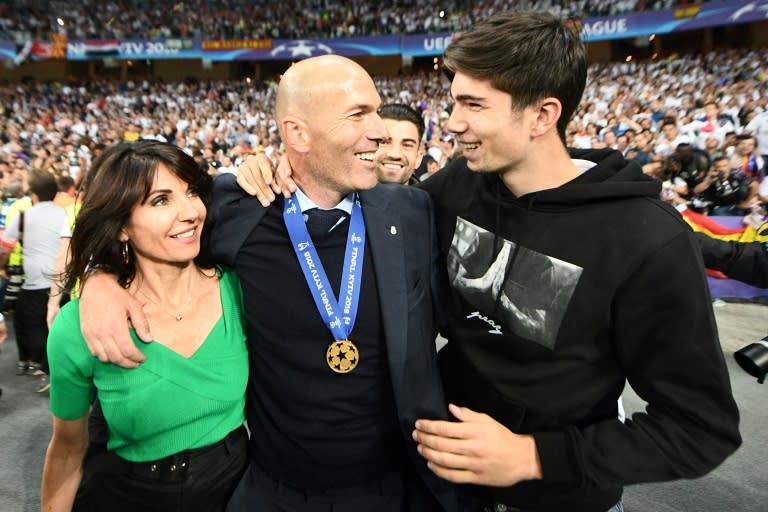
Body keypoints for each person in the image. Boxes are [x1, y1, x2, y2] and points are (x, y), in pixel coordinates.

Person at [236, 11, 741, 512]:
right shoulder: (457, 188)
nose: (452, 123)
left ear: (543, 115)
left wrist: (535, 457)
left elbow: (700, 429)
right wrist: (282, 164)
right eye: (454, 101)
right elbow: (360, 202)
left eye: (473, 105)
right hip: (442, 488)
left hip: (557, 500)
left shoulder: (644, 238)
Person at [75, 56, 455, 512]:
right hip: (273, 489)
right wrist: (99, 279)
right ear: (297, 133)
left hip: (393, 488)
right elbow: (142, 230)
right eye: (358, 115)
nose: (379, 130)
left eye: (376, 111)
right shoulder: (237, 208)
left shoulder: (411, 211)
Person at [41, 141, 249, 511]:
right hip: (124, 496)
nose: (190, 212)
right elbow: (68, 451)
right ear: (121, 226)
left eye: (191, 192)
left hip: (231, 491)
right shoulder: (78, 327)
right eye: (160, 200)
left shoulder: (241, 291)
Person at [0, 171, 65, 391]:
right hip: (63, 281)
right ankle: (55, 368)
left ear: (33, 194)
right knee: (56, 327)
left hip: (36, 282)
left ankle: (49, 369)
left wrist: (2, 268)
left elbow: (4, 248)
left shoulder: (24, 217)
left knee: (29, 326)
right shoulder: (65, 214)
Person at [376, 103, 425, 186]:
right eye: (383, 142)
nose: (395, 154)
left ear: (418, 157)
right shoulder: (347, 195)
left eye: (407, 145)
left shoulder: (433, 199)